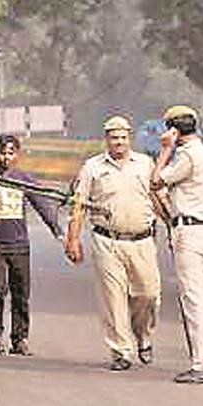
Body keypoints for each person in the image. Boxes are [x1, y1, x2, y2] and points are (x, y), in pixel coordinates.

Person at [64, 116, 161, 371]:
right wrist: (73, 239)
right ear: (106, 140)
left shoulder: (145, 164)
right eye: (114, 138)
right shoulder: (93, 167)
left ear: (130, 138)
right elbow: (79, 205)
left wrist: (176, 228)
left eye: (123, 137)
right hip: (107, 240)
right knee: (113, 297)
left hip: (142, 240)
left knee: (148, 294)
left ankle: (143, 335)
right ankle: (121, 351)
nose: (119, 142)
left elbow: (158, 199)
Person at [0, 135, 64, 356]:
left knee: (21, 293)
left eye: (10, 153)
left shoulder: (24, 179)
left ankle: (20, 339)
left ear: (17, 154)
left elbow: (42, 204)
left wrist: (57, 230)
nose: (6, 157)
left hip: (20, 244)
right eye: (2, 153)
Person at [150, 105, 203, 384]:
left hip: (189, 233)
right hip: (201, 230)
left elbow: (156, 181)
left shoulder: (188, 156)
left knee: (194, 302)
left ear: (174, 130)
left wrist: (165, 150)